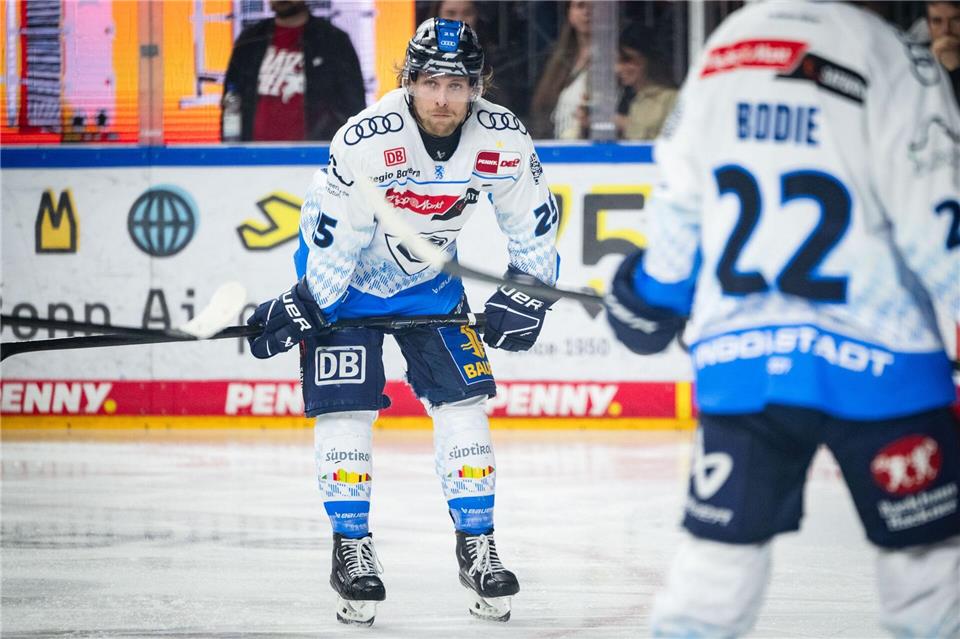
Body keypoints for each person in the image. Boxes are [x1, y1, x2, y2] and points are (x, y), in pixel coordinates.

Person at [604, 1, 959, 636]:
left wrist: (651, 293)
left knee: (711, 583)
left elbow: (680, 207)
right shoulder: (893, 54)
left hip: (744, 364)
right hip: (884, 363)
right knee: (930, 582)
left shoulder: (723, 49)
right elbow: (940, 218)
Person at [245, 17, 560, 627]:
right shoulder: (366, 138)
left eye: (457, 84)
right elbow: (335, 237)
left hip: (429, 286)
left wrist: (529, 292)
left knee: (464, 403)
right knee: (346, 409)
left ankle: (478, 546)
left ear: (478, 85)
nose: (442, 99)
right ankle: (351, 550)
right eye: (429, 82)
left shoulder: (503, 137)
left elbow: (533, 224)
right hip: (345, 284)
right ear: (408, 80)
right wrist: (310, 303)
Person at [221, 0, 365, 142]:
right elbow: (231, 100)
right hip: (253, 156)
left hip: (315, 156)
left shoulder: (333, 41)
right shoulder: (250, 41)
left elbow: (354, 104)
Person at [529, 0, 592, 138]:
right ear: (569, 12)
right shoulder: (558, 59)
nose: (587, 12)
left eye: (594, 6)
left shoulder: (617, 60)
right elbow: (542, 107)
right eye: (581, 6)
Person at [927, 1, 960, 102]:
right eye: (937, 21)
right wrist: (930, 66)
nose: (946, 30)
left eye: (956, 19)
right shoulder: (912, 60)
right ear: (928, 26)